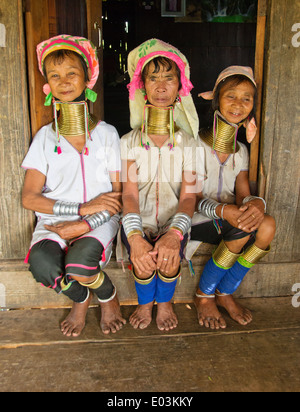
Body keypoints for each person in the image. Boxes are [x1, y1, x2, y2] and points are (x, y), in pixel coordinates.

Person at [22, 34, 126, 337]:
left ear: (87, 80)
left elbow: (117, 194)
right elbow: (30, 198)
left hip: (100, 220)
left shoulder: (106, 134)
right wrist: (76, 210)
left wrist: (85, 222)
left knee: (80, 264)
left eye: (71, 73)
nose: (63, 81)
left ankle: (107, 295)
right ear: (47, 85)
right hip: (55, 220)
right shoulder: (45, 138)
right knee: (41, 265)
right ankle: (80, 298)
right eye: (55, 75)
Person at [121, 38, 201, 331]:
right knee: (142, 260)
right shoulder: (128, 142)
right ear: (141, 86)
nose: (162, 86)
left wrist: (174, 233)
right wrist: (135, 237)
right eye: (153, 78)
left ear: (181, 86)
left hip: (174, 219)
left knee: (168, 258)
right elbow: (128, 195)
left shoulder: (188, 144)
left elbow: (189, 198)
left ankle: (164, 303)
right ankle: (145, 303)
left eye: (170, 78)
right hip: (137, 219)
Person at [191, 66, 276, 329]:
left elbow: (242, 193)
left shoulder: (240, 151)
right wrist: (225, 212)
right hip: (195, 219)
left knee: (268, 225)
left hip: (228, 216)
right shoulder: (195, 144)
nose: (238, 104)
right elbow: (189, 198)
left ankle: (225, 290)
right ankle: (204, 295)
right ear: (216, 99)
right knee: (240, 228)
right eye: (231, 95)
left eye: (246, 98)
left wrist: (255, 206)